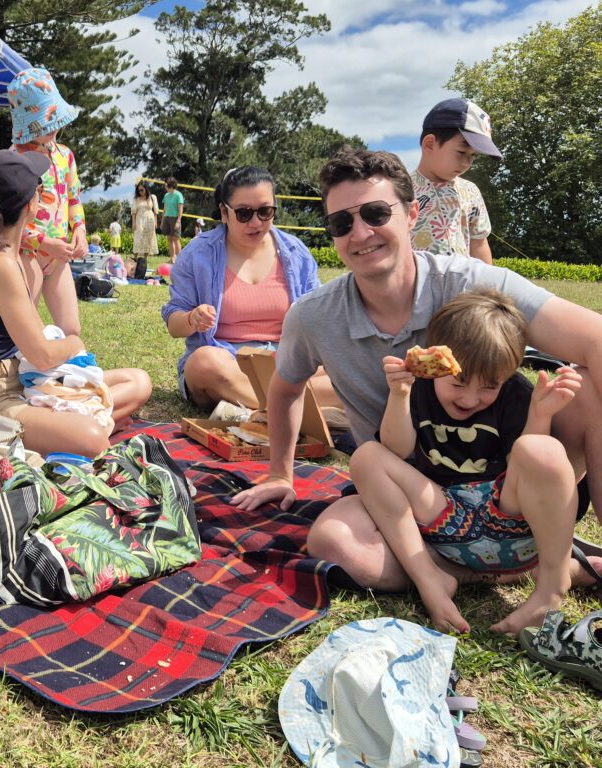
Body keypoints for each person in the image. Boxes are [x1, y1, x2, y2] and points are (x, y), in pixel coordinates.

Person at [229, 148, 602, 605]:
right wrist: (280, 473)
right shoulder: (313, 316)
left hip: (510, 488)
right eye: (341, 223)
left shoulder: (473, 285)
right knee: (334, 543)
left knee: (583, 390)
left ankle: (523, 555)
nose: (360, 233)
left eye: (375, 213)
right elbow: (285, 386)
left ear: (410, 213)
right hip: (411, 492)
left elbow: (595, 340)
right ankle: (496, 568)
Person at [351, 290, 585, 635]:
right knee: (367, 456)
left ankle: (551, 589)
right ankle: (430, 579)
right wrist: (400, 396)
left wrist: (540, 414)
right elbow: (396, 451)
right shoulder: (421, 388)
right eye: (458, 382)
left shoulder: (515, 393)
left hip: (509, 520)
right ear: (438, 363)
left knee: (543, 450)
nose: (470, 398)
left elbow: (523, 465)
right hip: (445, 517)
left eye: (489, 386)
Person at [0, 150, 152, 458]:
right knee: (93, 440)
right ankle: (69, 427)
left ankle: (62, 427)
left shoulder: (7, 255)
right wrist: (74, 342)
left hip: (22, 381)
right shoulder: (0, 263)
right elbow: (42, 356)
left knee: (138, 381)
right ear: (32, 204)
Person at [161, 166, 326, 412]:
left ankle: (265, 410)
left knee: (350, 366)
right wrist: (191, 318)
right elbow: (174, 325)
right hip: (228, 362)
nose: (256, 222)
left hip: (288, 363)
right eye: (244, 213)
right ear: (224, 213)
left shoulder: (295, 251)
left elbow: (319, 316)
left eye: (265, 211)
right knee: (203, 363)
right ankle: (296, 410)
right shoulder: (199, 254)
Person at [9, 66, 88, 337]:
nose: (53, 128)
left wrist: (79, 230)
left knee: (71, 328)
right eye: (46, 123)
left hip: (58, 257)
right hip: (26, 252)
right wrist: (43, 243)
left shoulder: (65, 156)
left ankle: (69, 374)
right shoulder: (14, 159)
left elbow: (74, 197)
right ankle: (22, 376)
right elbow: (10, 218)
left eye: (55, 121)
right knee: (26, 329)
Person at [411, 98, 500, 264]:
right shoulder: (402, 189)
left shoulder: (470, 191)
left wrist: (487, 284)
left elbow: (478, 242)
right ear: (429, 144)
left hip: (461, 286)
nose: (467, 163)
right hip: (416, 286)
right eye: (461, 152)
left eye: (473, 155)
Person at [131, 181, 159, 280]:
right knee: (138, 238)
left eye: (142, 190)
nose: (140, 192)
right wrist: (134, 223)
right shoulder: (136, 199)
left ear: (146, 189)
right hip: (139, 219)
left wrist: (155, 222)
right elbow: (133, 212)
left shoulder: (153, 197)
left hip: (150, 220)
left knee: (148, 240)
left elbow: (155, 211)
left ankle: (144, 261)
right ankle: (134, 259)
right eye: (139, 190)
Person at [161, 177, 184, 262]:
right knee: (169, 239)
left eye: (165, 184)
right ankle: (172, 258)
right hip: (167, 218)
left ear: (170, 185)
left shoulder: (178, 195)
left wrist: (178, 221)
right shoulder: (166, 195)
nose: (164, 185)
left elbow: (180, 210)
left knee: (176, 239)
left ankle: (180, 259)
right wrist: (162, 222)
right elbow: (164, 209)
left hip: (175, 219)